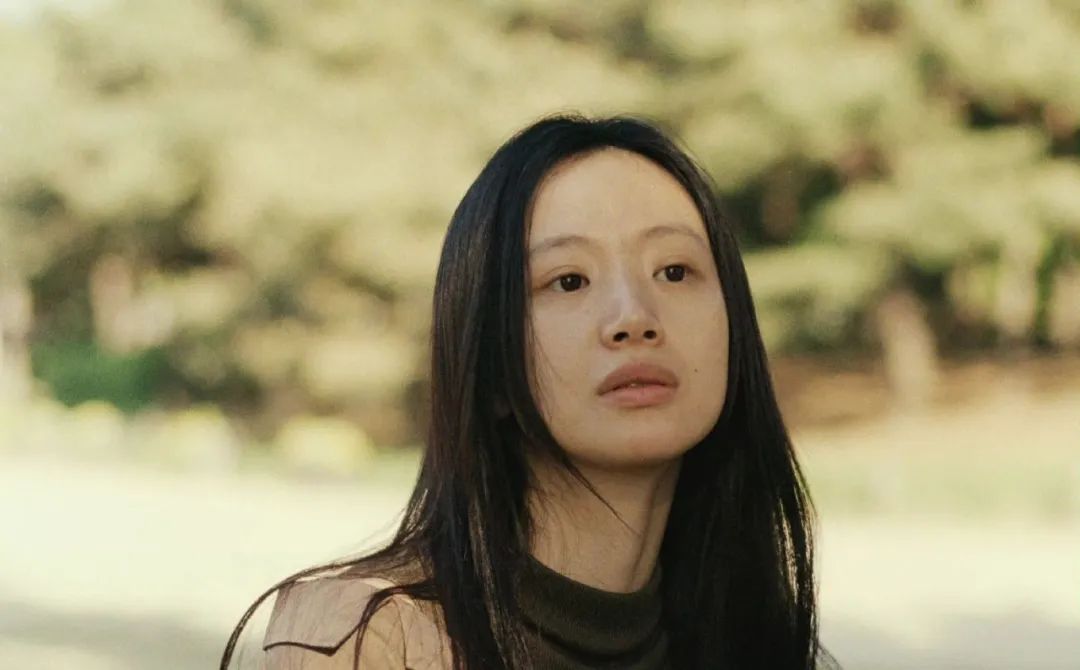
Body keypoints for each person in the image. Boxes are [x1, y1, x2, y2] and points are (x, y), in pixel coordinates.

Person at [220, 114, 838, 670]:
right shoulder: (369, 642)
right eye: (568, 281)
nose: (634, 316)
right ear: (488, 366)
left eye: (675, 271)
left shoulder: (763, 644)